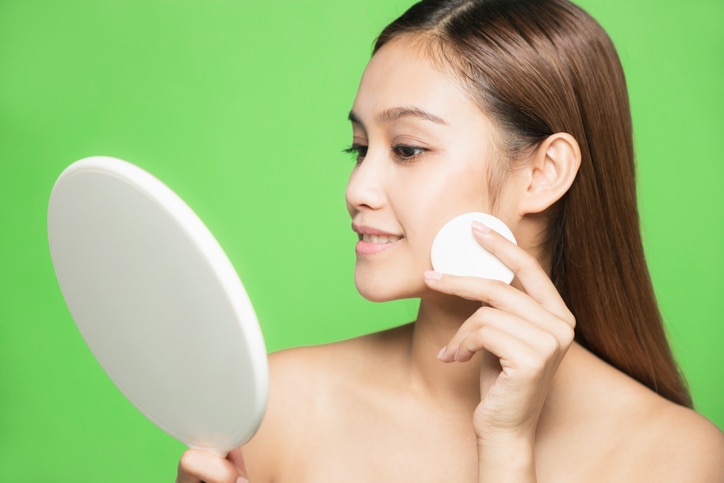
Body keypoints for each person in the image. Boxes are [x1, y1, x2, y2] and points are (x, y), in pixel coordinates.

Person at [177, 0, 724, 481]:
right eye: (359, 148)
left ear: (542, 173)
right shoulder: (276, 407)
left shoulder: (675, 459)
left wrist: (507, 452)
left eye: (409, 149)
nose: (358, 189)